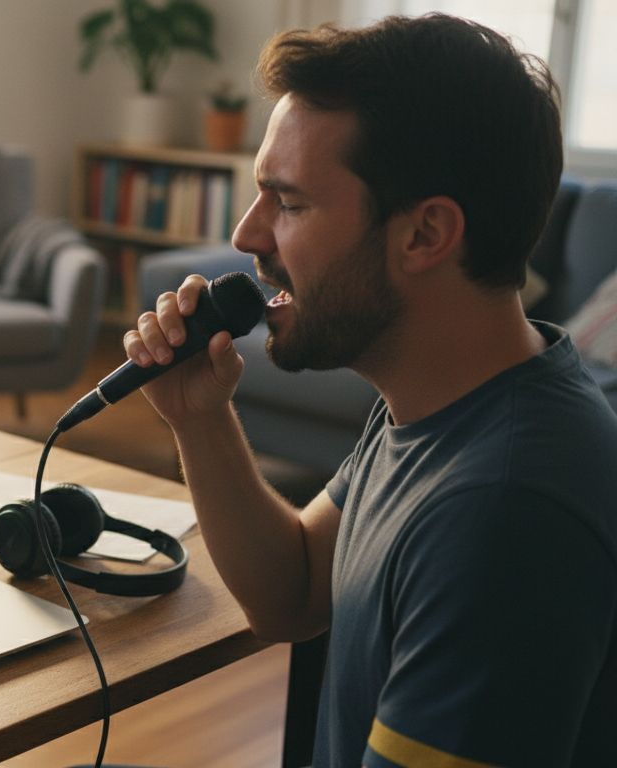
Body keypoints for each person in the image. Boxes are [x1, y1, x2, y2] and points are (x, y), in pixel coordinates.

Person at [126, 14, 617, 767]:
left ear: (425, 235)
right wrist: (200, 418)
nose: (248, 237)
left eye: (288, 203)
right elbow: (290, 590)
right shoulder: (440, 404)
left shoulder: (503, 513)